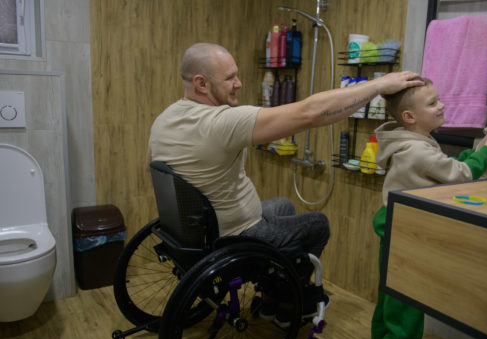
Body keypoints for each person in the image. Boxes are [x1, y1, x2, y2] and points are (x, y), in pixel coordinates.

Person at [147, 42, 424, 324]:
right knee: (318, 225)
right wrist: (379, 86)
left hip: (197, 232)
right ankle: (285, 300)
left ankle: (271, 290)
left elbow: (154, 168)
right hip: (236, 236)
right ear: (201, 83)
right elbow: (311, 113)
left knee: (283, 204)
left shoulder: (165, 119)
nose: (239, 83)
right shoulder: (222, 122)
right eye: (230, 78)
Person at [368, 77, 487, 339]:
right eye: (433, 103)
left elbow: (443, 169)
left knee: (389, 303)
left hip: (395, 229)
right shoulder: (418, 151)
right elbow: (461, 174)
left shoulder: (410, 143)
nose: (442, 106)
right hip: (409, 238)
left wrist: (466, 157)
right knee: (406, 319)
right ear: (409, 117)